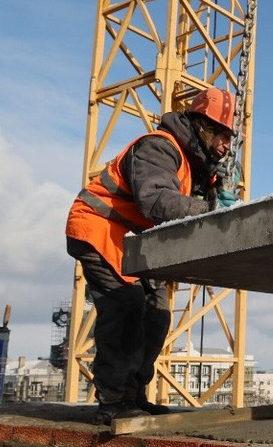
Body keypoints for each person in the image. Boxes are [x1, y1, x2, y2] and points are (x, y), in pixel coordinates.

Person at [66, 87, 241, 423]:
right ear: (203, 126)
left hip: (135, 241)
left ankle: (133, 396)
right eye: (222, 135)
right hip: (100, 226)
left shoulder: (199, 165)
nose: (226, 145)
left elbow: (192, 204)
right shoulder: (159, 147)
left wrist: (218, 190)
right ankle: (113, 402)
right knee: (126, 305)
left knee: (157, 314)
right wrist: (210, 207)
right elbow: (156, 202)